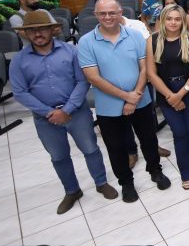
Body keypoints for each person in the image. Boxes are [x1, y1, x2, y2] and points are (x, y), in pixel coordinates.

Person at [10, 12, 118, 214]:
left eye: (42, 29)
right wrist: (50, 112)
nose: (37, 34)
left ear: (52, 30)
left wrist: (67, 109)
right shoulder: (19, 61)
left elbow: (82, 81)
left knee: (90, 149)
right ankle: (72, 191)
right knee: (58, 156)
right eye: (32, 30)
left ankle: (101, 182)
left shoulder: (71, 51)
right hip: (46, 118)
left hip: (76, 112)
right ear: (26, 33)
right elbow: (20, 92)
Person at [77, 0, 171, 203]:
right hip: (108, 107)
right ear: (96, 15)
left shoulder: (135, 36)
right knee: (116, 147)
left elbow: (145, 68)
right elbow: (93, 77)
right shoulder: (86, 42)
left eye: (112, 12)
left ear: (120, 13)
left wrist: (134, 97)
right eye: (102, 13)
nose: (107, 17)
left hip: (141, 100)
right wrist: (126, 97)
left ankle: (155, 171)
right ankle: (126, 183)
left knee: (149, 139)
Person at [146, 4, 189, 189]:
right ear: (162, 20)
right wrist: (171, 96)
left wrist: (180, 94)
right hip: (166, 92)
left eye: (177, 19)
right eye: (169, 19)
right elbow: (151, 74)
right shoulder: (152, 40)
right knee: (179, 133)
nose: (173, 22)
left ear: (183, 21)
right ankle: (186, 173)